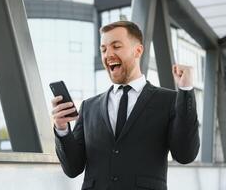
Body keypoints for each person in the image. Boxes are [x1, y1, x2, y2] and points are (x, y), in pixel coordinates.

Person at [51, 21, 200, 190]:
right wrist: (62, 128)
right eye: (104, 49)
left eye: (116, 46)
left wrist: (186, 89)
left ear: (138, 51)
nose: (108, 54)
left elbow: (185, 155)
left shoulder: (168, 101)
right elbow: (72, 168)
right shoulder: (89, 107)